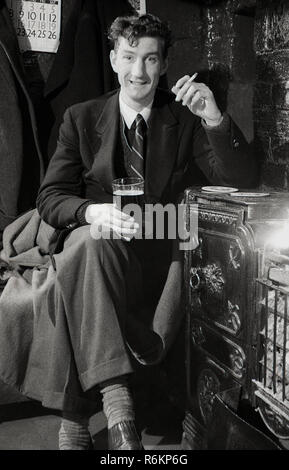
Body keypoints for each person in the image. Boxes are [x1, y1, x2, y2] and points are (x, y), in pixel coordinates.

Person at [0, 13, 258, 451]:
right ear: (114, 58)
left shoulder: (185, 118)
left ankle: (74, 418)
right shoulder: (80, 118)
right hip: (97, 248)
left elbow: (243, 180)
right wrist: (91, 213)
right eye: (129, 57)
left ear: (164, 63)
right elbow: (51, 198)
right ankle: (119, 407)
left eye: (151, 59)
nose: (139, 72)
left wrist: (214, 117)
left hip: (156, 254)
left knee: (80, 269)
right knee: (90, 244)